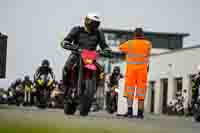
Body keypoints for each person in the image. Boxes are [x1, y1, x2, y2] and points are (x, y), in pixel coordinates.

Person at [60, 13, 111, 88]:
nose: (94, 25)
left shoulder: (99, 33)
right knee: (66, 68)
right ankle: (64, 87)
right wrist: (68, 44)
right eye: (93, 23)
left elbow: (104, 46)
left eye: (96, 23)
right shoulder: (77, 30)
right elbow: (66, 40)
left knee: (101, 70)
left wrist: (107, 50)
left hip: (90, 57)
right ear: (87, 21)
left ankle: (95, 89)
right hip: (76, 54)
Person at [119, 28, 152, 118]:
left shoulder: (129, 43)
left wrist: (123, 40)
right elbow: (148, 54)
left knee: (129, 91)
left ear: (134, 35)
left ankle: (129, 112)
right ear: (143, 35)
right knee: (141, 92)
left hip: (131, 72)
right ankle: (140, 113)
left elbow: (120, 48)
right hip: (142, 72)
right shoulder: (148, 44)